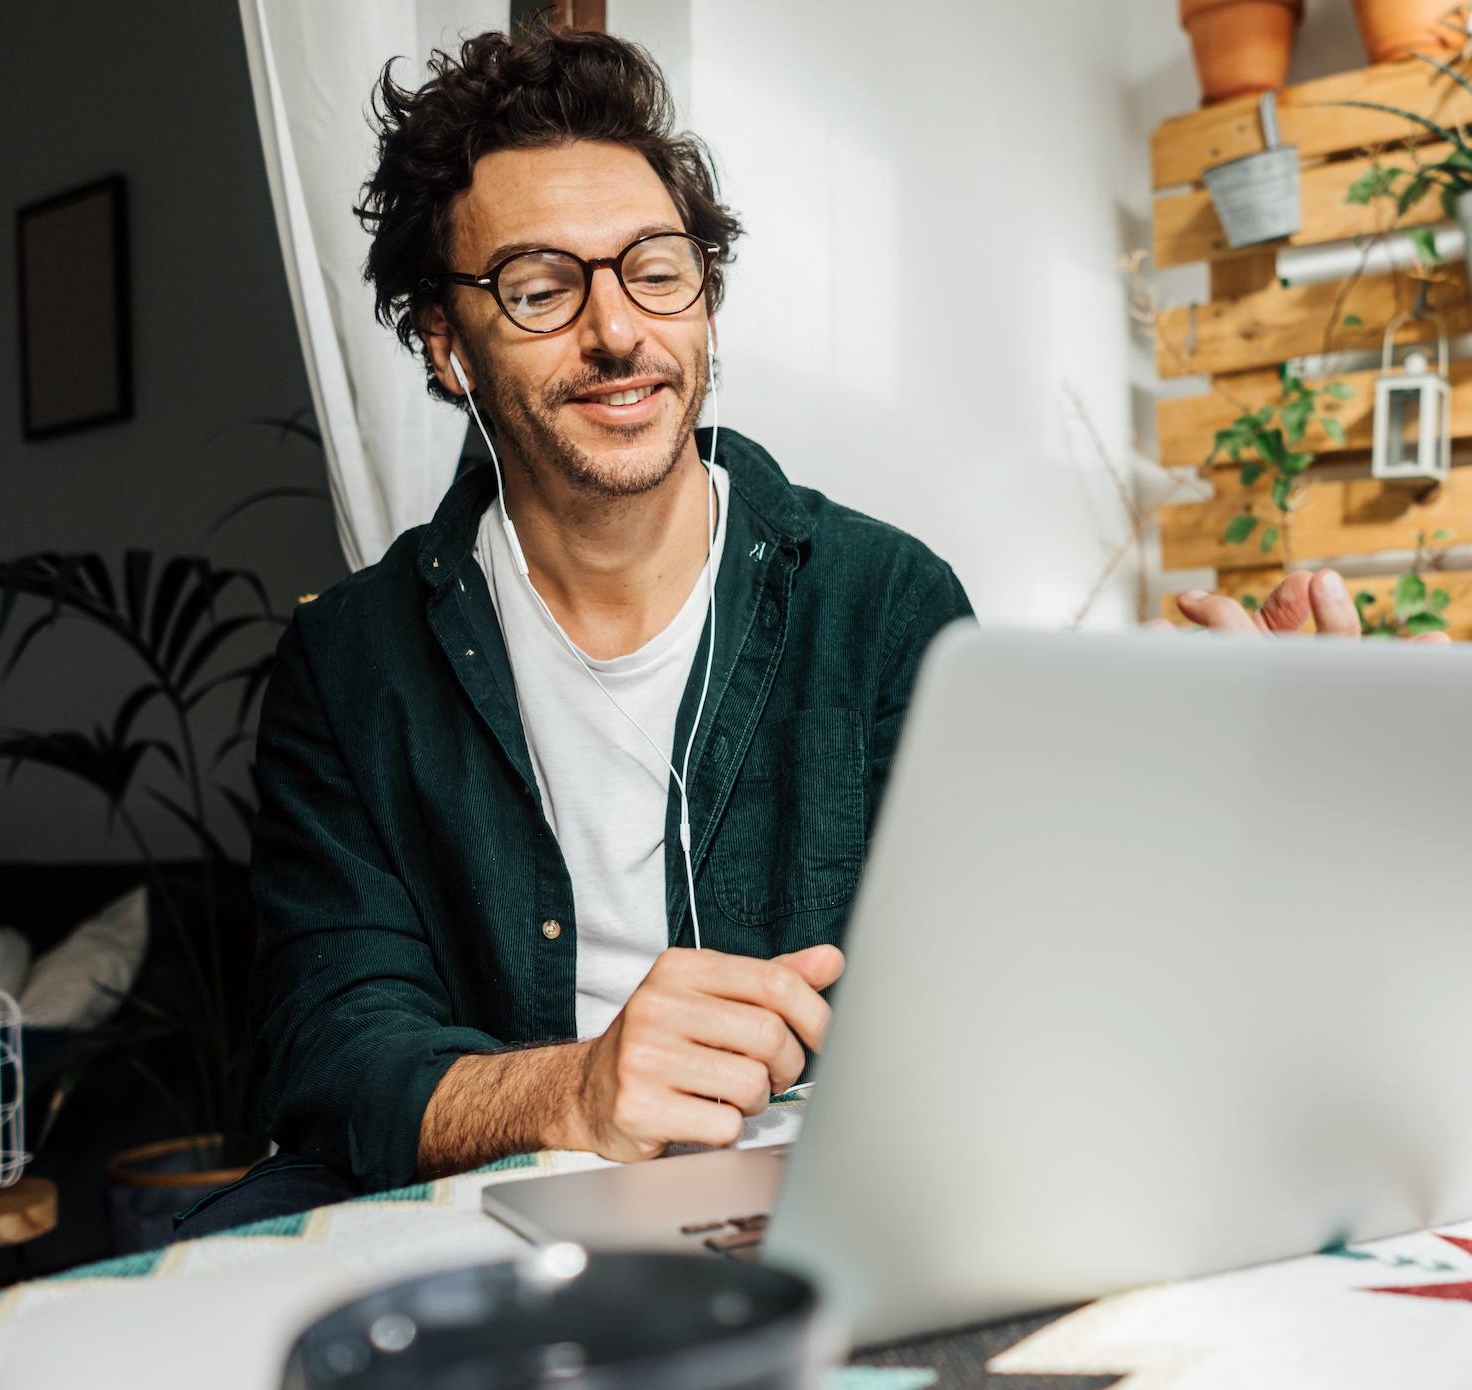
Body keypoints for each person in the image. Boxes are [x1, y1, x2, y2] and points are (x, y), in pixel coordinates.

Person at [180, 24, 1389, 1236]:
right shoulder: (348, 660)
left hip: (818, 1192)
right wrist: (579, 1086)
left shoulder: (885, 602)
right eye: (542, 288)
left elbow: (1016, 987)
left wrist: (1265, 809)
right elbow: (338, 1048)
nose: (617, 331)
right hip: (487, 1199)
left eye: (655, 270)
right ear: (448, 348)